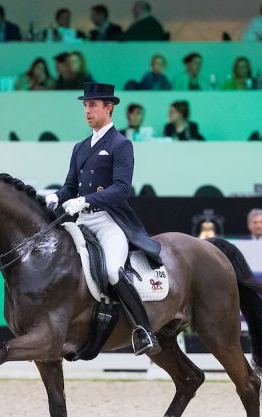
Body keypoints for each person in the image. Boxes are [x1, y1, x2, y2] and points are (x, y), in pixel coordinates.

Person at [44, 82, 162, 356]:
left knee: (111, 271)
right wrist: (55, 197)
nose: (87, 110)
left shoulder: (121, 144)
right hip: (82, 222)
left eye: (93, 105)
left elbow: (121, 188)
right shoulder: (80, 147)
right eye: (85, 105)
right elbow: (69, 187)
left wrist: (87, 200)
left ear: (109, 108)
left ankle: (143, 330)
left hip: (109, 220)